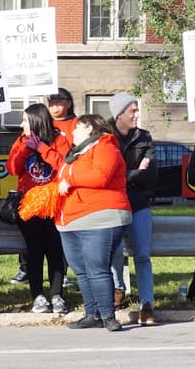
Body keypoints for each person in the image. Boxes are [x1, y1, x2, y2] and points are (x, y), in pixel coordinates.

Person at [57, 113, 131, 332]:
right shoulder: (75, 154)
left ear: (89, 128)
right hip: (70, 219)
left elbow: (101, 177)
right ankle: (92, 314)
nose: (73, 132)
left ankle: (108, 316)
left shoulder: (105, 147)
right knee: (80, 269)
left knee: (96, 267)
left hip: (100, 216)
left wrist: (69, 180)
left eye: (77, 128)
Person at [6, 103, 72, 314]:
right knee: (34, 252)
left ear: (35, 121)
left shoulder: (59, 139)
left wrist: (43, 148)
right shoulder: (21, 141)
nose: (21, 124)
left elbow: (64, 165)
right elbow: (12, 169)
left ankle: (57, 295)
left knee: (55, 252)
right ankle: (38, 296)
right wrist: (26, 148)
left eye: (24, 120)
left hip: (55, 204)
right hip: (30, 205)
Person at [107, 92, 158, 325]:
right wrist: (136, 172)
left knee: (143, 255)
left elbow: (151, 174)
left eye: (137, 110)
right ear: (119, 115)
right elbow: (106, 175)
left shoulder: (144, 137)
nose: (137, 115)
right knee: (114, 253)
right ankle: (118, 289)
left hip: (139, 204)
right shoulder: (105, 136)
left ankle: (147, 304)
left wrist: (130, 176)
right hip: (113, 204)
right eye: (132, 111)